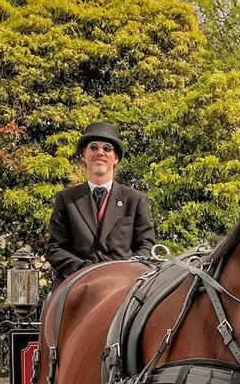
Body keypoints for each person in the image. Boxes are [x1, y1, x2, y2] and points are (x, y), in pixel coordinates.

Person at [44, 122, 156, 286]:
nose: (100, 152)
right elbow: (54, 248)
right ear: (84, 155)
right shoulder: (66, 199)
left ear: (116, 158)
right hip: (78, 283)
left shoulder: (135, 199)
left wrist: (125, 271)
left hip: (122, 284)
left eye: (107, 148)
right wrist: (84, 269)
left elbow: (146, 246)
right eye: (94, 147)